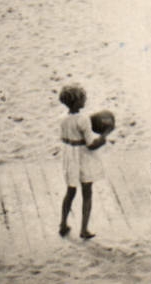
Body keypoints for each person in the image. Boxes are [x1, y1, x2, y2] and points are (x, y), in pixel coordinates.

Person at [56, 83, 110, 239]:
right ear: (77, 102)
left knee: (70, 191)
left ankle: (63, 224)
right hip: (83, 157)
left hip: (69, 156)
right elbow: (91, 144)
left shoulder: (62, 118)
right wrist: (104, 136)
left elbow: (64, 137)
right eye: (82, 97)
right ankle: (84, 229)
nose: (85, 99)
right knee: (87, 193)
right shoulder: (83, 119)